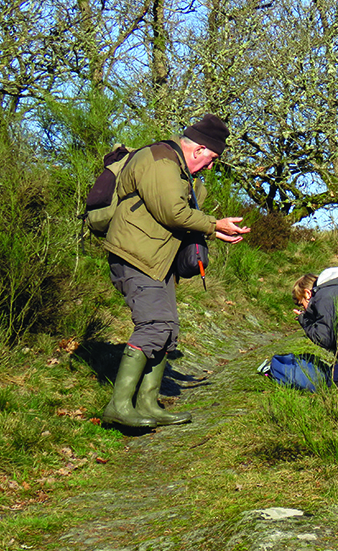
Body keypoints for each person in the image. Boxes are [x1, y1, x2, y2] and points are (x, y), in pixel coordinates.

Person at [102, 114, 251, 428]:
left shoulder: (179, 169)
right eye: (211, 159)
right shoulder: (160, 161)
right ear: (197, 150)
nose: (210, 167)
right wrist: (214, 225)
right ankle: (118, 405)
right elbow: (173, 212)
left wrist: (214, 229)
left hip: (156, 260)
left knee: (167, 330)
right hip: (135, 256)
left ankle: (147, 404)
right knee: (155, 325)